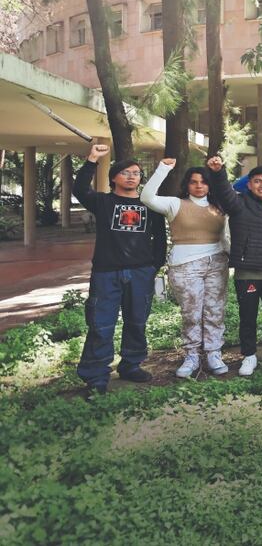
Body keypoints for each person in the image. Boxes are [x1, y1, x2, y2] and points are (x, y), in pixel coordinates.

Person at [73, 144, 167, 395]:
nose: (132, 176)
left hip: (140, 273)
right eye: (126, 172)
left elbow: (159, 238)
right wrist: (92, 159)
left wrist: (153, 266)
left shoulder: (150, 205)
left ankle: (131, 364)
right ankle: (96, 375)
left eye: (136, 173)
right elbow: (80, 189)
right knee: (101, 324)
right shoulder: (103, 202)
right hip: (106, 273)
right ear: (114, 178)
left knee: (137, 321)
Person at [140, 159, 230, 378]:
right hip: (185, 265)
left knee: (214, 311)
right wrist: (163, 168)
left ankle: (213, 353)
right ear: (186, 185)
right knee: (191, 312)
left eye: (204, 182)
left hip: (217, 262)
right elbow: (147, 197)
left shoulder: (221, 204)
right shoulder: (175, 204)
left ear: (210, 185)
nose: (199, 186)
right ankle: (191, 355)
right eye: (193, 182)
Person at [207, 155, 262, 376]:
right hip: (248, 271)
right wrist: (218, 172)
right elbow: (224, 191)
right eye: (257, 181)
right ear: (250, 184)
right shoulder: (239, 203)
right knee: (248, 315)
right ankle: (249, 355)